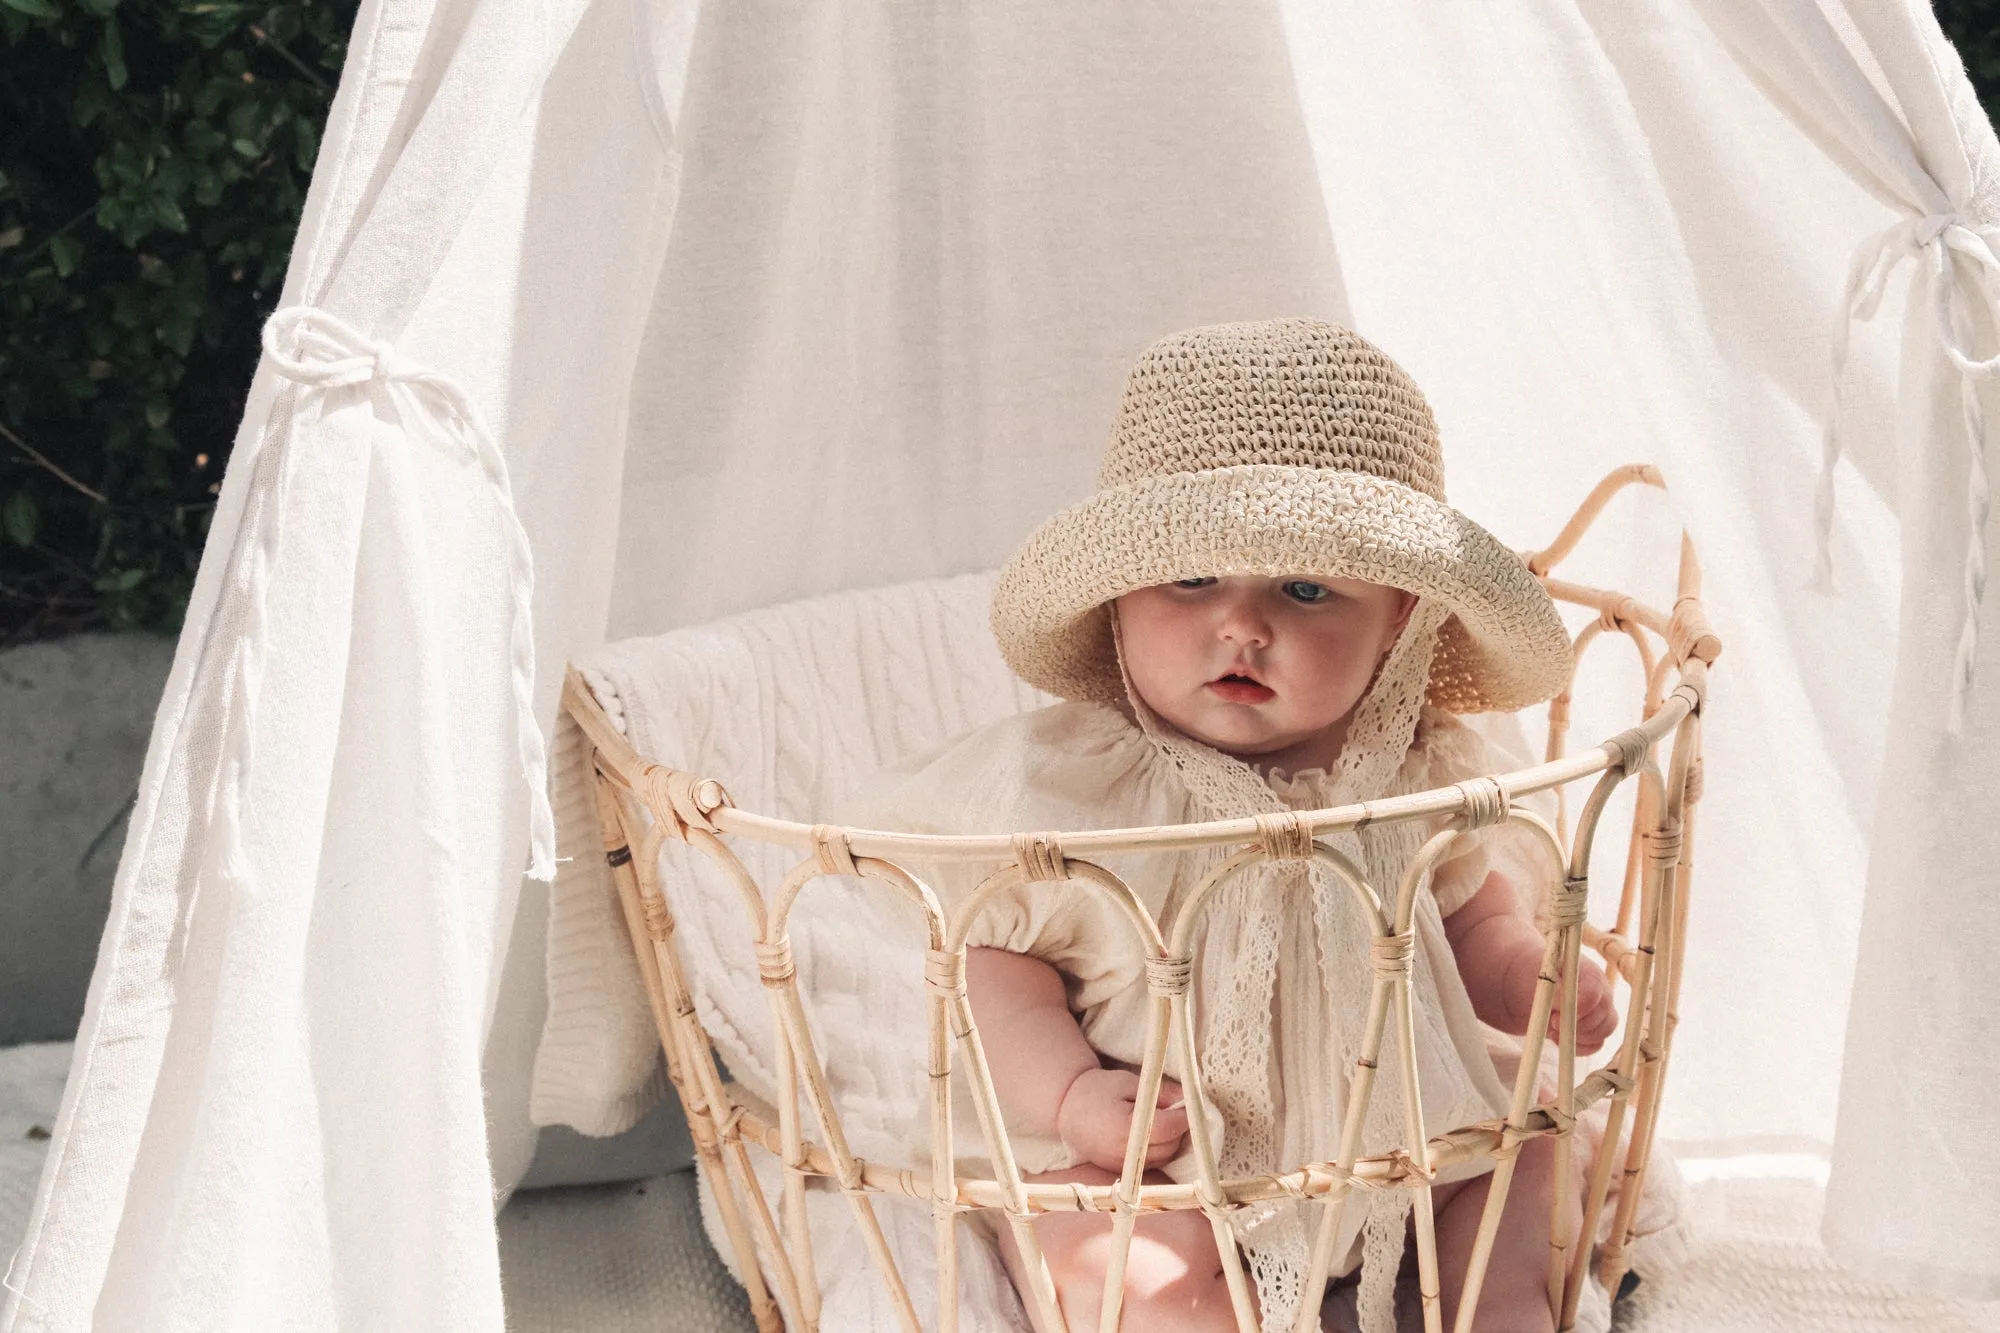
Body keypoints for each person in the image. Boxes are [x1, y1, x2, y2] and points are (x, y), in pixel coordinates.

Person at [857, 319, 1620, 1332]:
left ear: (1395, 618)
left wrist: (1526, 974)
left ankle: (1491, 1309)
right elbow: (993, 970)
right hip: (1159, 1164)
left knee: (1527, 1161)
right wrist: (1070, 1089)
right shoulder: (1073, 788)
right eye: (1189, 580)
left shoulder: (1417, 771)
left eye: (1305, 590)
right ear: (1116, 599)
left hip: (1406, 1143)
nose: (1241, 626)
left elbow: (1472, 914)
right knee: (1114, 1262)